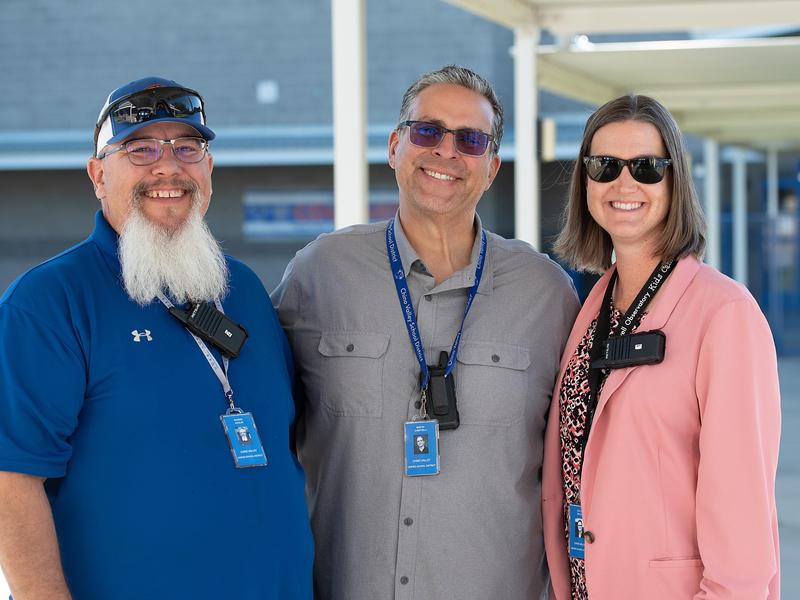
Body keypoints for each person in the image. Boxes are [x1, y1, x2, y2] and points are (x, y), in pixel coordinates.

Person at [272, 65, 579, 599]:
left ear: (491, 168)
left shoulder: (548, 294)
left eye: (470, 139)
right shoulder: (319, 274)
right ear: (395, 146)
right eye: (428, 131)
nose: (446, 151)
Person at [0, 77, 313, 600]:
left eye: (187, 148)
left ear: (208, 169)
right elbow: (12, 481)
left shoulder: (243, 290)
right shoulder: (50, 302)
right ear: (98, 174)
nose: (168, 167)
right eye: (140, 148)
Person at [542, 94, 781, 599]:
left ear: (675, 181)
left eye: (647, 167)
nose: (623, 183)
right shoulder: (590, 308)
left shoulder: (724, 315)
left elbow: (742, 521)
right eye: (604, 165)